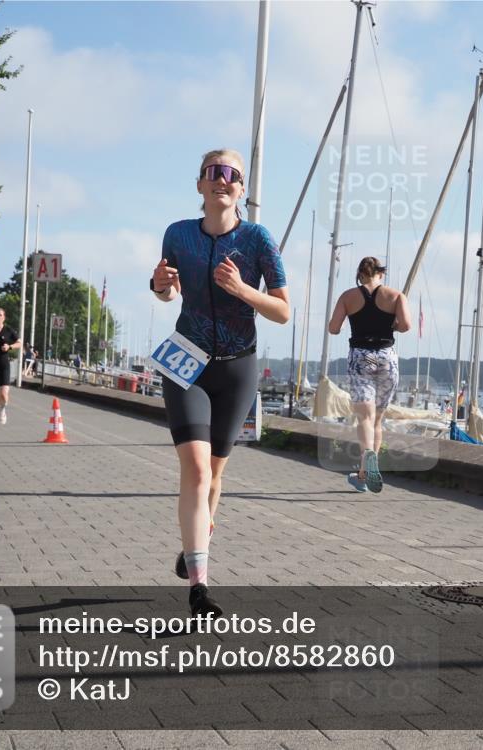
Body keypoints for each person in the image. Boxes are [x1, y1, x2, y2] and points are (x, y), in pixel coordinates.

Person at [151, 148, 289, 617]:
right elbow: (170, 293)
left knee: (215, 476)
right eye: (213, 173)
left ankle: (194, 546)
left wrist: (243, 290)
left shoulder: (257, 239)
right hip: (185, 360)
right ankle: (199, 586)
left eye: (232, 175)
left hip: (237, 366)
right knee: (196, 469)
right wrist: (159, 284)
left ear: (242, 189)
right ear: (200, 185)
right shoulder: (178, 233)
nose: (222, 180)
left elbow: (283, 311)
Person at [329, 256, 411, 493]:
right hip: (387, 357)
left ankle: (367, 456)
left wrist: (348, 320)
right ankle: (365, 474)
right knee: (377, 420)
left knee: (364, 418)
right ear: (381, 274)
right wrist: (392, 325)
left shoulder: (348, 296)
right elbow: (406, 325)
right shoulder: (396, 296)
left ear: (360, 274)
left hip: (361, 356)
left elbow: (333, 328)